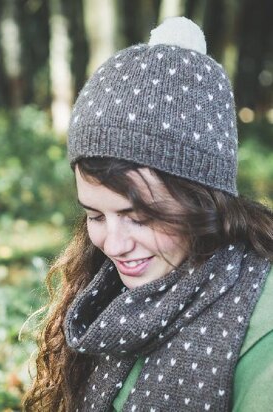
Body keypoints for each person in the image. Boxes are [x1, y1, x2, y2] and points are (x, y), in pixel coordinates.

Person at [23, 17, 273, 412]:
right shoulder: (101, 295)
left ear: (202, 198)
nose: (114, 245)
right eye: (96, 216)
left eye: (139, 217)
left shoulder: (262, 320)